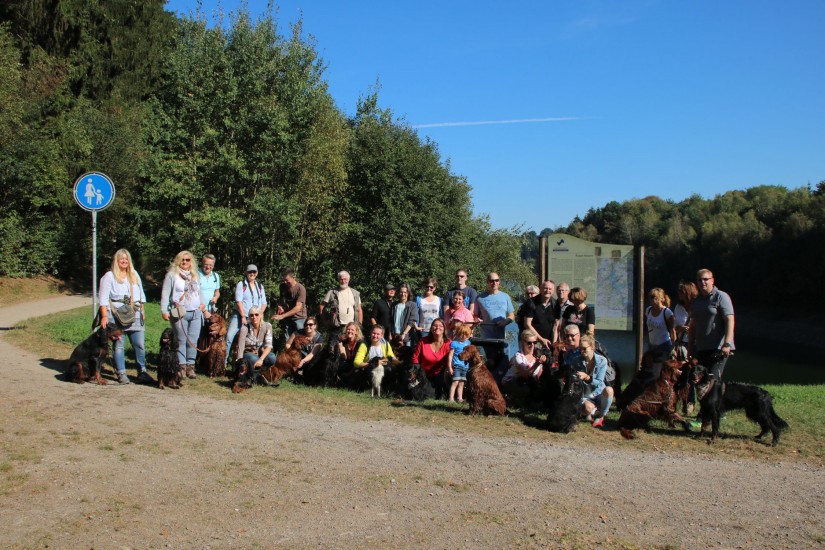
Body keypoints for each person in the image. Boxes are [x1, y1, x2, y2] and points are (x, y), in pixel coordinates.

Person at [98, 248, 153, 385]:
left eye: (126, 258)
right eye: (121, 258)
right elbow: (103, 298)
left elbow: (141, 294)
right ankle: (121, 373)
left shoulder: (134, 274)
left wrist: (143, 311)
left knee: (139, 344)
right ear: (116, 261)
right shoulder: (109, 276)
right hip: (116, 315)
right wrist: (104, 316)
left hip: (135, 313)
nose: (124, 261)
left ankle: (142, 372)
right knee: (119, 345)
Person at [161, 250, 209, 379]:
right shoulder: (172, 275)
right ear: (178, 261)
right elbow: (165, 293)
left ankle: (190, 367)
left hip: (195, 312)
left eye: (188, 260)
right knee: (181, 340)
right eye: (182, 259)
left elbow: (199, 292)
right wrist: (164, 310)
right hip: (179, 313)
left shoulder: (195, 275)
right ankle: (180, 367)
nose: (185, 262)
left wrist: (202, 304)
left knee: (193, 341)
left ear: (191, 261)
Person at [689, 268, 735, 397]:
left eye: (706, 279)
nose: (703, 282)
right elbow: (692, 326)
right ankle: (706, 408)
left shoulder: (721, 296)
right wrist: (690, 348)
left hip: (718, 348)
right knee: (701, 382)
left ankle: (718, 407)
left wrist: (727, 344)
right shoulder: (696, 301)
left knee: (714, 382)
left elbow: (730, 320)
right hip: (701, 348)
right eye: (700, 280)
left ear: (712, 280)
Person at [226, 265, 267, 365]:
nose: (252, 274)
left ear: (257, 273)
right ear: (246, 273)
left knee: (255, 341)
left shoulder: (260, 286)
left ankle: (253, 363)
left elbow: (264, 303)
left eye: (254, 272)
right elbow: (238, 301)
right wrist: (243, 316)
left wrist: (260, 314)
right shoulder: (241, 285)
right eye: (250, 272)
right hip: (240, 316)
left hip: (255, 317)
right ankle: (224, 362)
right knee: (229, 336)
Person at [574, 334, 613, 428]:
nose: (582, 351)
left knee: (609, 390)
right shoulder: (576, 361)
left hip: (598, 392)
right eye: (580, 349)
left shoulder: (602, 361)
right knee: (588, 408)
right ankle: (589, 411)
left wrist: (587, 377)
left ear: (592, 347)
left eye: (584, 349)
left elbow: (599, 382)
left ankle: (601, 416)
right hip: (585, 394)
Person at [501, 329, 546, 407]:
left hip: (527, 383)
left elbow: (538, 377)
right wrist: (537, 364)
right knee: (525, 389)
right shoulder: (518, 357)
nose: (532, 345)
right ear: (522, 343)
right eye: (529, 343)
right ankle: (509, 399)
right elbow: (525, 375)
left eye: (534, 342)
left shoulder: (537, 357)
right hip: (511, 382)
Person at [412, 317, 451, 399]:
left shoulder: (449, 343)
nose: (437, 327)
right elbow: (415, 358)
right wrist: (415, 372)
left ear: (444, 329)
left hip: (440, 375)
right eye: (435, 325)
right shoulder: (423, 341)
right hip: (423, 375)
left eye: (440, 326)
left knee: (437, 394)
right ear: (431, 328)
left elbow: (451, 361)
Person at [234, 306, 276, 374]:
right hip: (248, 354)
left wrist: (261, 359)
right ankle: (251, 372)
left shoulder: (267, 326)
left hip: (261, 353)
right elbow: (240, 347)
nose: (254, 317)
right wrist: (239, 362)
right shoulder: (244, 328)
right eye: (251, 315)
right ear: (249, 317)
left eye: (256, 314)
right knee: (254, 359)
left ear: (261, 315)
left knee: (272, 357)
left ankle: (263, 372)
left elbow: (269, 346)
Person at [474, 272, 515, 340]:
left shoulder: (505, 296)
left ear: (499, 281)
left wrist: (505, 322)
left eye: (496, 280)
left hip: (502, 336)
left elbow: (512, 315)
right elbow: (475, 315)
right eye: (492, 281)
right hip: (486, 337)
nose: (494, 283)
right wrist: (477, 319)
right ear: (487, 282)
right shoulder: (479, 298)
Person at [271, 268, 307, 338]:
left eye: (287, 280)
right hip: (287, 318)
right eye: (283, 280)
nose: (285, 282)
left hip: (299, 317)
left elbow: (298, 307)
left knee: (300, 339)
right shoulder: (282, 287)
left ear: (293, 277)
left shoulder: (300, 289)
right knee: (288, 339)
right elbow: (281, 299)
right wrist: (280, 306)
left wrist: (282, 316)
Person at [523, 280, 556, 349]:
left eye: (550, 289)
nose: (547, 291)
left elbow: (556, 326)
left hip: (549, 342)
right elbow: (527, 324)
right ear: (540, 289)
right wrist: (541, 339)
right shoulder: (531, 302)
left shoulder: (555, 304)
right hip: (533, 341)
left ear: (553, 291)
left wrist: (554, 343)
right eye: (545, 288)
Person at [645, 288, 676, 357]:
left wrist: (673, 348)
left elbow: (672, 330)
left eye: (653, 298)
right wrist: (649, 345)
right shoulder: (648, 310)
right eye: (650, 297)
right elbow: (649, 329)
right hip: (652, 345)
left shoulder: (667, 312)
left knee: (662, 363)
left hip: (664, 345)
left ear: (660, 299)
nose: (651, 300)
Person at [446, 323, 473, 402]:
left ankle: (460, 398)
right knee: (455, 382)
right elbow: (450, 356)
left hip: (465, 367)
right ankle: (451, 398)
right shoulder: (454, 343)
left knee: (462, 383)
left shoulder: (468, 343)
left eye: (466, 335)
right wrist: (450, 367)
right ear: (457, 333)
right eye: (461, 334)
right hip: (457, 366)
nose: (463, 336)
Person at [673, 280, 698, 362]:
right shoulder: (678, 307)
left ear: (688, 292)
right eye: (679, 291)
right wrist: (681, 328)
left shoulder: (697, 306)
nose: (679, 293)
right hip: (683, 343)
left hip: (696, 343)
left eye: (682, 291)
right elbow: (674, 328)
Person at [390, 283, 419, 347]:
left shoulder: (412, 305)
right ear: (398, 293)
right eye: (401, 292)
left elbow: (412, 321)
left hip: (407, 337)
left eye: (405, 292)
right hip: (395, 336)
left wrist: (404, 333)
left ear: (408, 293)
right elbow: (390, 321)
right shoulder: (394, 305)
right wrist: (390, 333)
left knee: (407, 352)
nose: (403, 294)